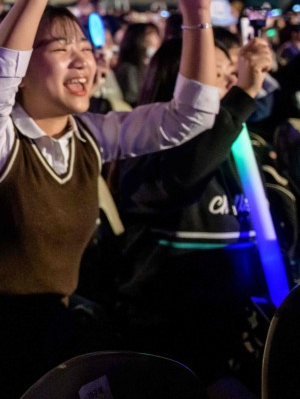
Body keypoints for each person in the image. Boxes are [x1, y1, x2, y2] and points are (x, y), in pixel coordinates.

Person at [0, 0, 221, 398]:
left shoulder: (91, 135)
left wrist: (196, 12)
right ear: (24, 69)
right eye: (60, 50)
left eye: (87, 51)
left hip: (61, 343)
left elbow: (192, 115)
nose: (83, 62)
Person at [115, 35, 274, 394]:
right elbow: (183, 173)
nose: (232, 84)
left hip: (235, 335)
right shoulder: (147, 146)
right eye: (218, 77)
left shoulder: (239, 146)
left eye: (232, 74)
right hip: (168, 342)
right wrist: (244, 96)